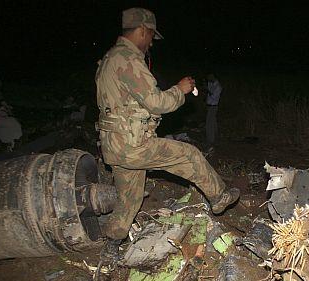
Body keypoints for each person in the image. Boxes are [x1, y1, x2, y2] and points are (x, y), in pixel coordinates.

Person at [95, 8, 240, 247]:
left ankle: (112, 243)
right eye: (151, 36)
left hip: (113, 145)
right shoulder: (128, 59)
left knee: (128, 199)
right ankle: (220, 196)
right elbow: (156, 102)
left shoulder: (109, 59)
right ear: (142, 30)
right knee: (189, 155)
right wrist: (179, 89)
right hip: (133, 144)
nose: (151, 43)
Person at [205, 73, 222, 145]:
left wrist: (207, 90)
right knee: (213, 122)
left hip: (213, 106)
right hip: (209, 106)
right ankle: (216, 136)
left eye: (210, 76)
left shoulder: (218, 86)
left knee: (209, 123)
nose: (208, 77)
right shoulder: (210, 83)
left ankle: (210, 140)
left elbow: (214, 96)